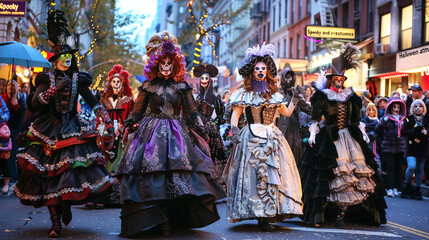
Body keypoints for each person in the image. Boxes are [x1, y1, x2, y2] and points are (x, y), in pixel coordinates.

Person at [12, 9, 114, 238]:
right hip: (48, 129)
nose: (67, 61)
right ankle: (55, 221)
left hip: (72, 128)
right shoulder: (44, 78)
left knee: (69, 173)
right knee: (48, 175)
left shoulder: (79, 78)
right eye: (63, 58)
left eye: (70, 58)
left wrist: (104, 116)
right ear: (55, 61)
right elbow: (35, 104)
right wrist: (52, 90)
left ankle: (66, 204)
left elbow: (91, 100)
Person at [115, 36, 225, 237]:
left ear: (175, 65)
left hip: (177, 132)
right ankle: (157, 219)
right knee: (152, 174)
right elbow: (137, 111)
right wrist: (128, 125)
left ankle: (173, 218)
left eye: (169, 64)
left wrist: (201, 127)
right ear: (156, 64)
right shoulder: (148, 85)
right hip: (151, 132)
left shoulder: (181, 86)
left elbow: (191, 112)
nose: (166, 67)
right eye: (162, 63)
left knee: (179, 177)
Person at [299, 43, 386, 228]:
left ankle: (342, 213)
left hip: (348, 138)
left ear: (343, 79)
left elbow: (355, 119)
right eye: (336, 78)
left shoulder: (351, 96)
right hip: (328, 137)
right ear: (331, 79)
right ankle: (321, 212)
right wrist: (314, 132)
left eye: (341, 78)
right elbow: (316, 119)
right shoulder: (323, 96)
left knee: (352, 176)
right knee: (328, 174)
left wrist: (362, 131)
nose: (339, 80)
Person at [223, 43, 302, 231]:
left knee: (273, 174)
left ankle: (268, 214)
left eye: (263, 68)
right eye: (257, 68)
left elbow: (287, 113)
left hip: (272, 137)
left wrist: (296, 98)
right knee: (253, 176)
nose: (260, 71)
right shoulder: (244, 94)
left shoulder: (275, 95)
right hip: (251, 136)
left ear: (268, 72)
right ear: (252, 72)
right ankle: (258, 212)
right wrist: (234, 133)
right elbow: (236, 116)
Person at [193, 64, 227, 181]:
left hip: (211, 133)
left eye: (206, 78)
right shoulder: (198, 97)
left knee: (212, 155)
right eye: (201, 79)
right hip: (198, 131)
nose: (203, 81)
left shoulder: (215, 100)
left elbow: (220, 117)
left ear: (210, 81)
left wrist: (213, 125)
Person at [276, 65, 311, 162]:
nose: (288, 80)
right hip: (280, 126)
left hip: (293, 126)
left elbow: (306, 108)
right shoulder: (278, 94)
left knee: (294, 151)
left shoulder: (294, 94)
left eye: (290, 77)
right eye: (286, 77)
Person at [374, 98, 406, 198]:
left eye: (398, 107)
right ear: (390, 108)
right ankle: (389, 188)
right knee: (390, 168)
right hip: (388, 147)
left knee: (398, 168)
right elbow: (377, 130)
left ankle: (396, 187)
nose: (396, 109)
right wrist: (383, 122)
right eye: (394, 107)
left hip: (400, 147)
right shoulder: (386, 118)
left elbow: (408, 131)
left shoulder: (403, 119)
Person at [400, 99, 428, 200]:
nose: (418, 108)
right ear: (412, 108)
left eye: (420, 106)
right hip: (411, 146)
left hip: (423, 146)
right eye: (415, 106)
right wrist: (415, 131)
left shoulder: (427, 119)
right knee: (412, 166)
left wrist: (426, 133)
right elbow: (403, 132)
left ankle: (417, 190)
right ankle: (407, 187)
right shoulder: (409, 118)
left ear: (423, 108)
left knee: (420, 168)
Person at [5, 79, 26, 180]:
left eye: (13, 85)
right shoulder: (4, 98)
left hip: (15, 129)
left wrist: (16, 105)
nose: (11, 87)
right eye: (9, 85)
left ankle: (13, 175)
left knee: (12, 153)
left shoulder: (20, 98)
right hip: (4, 128)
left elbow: (22, 115)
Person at [0, 98, 10, 194]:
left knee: (3, 158)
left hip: (1, 131)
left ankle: (6, 183)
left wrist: (3, 117)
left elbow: (7, 112)